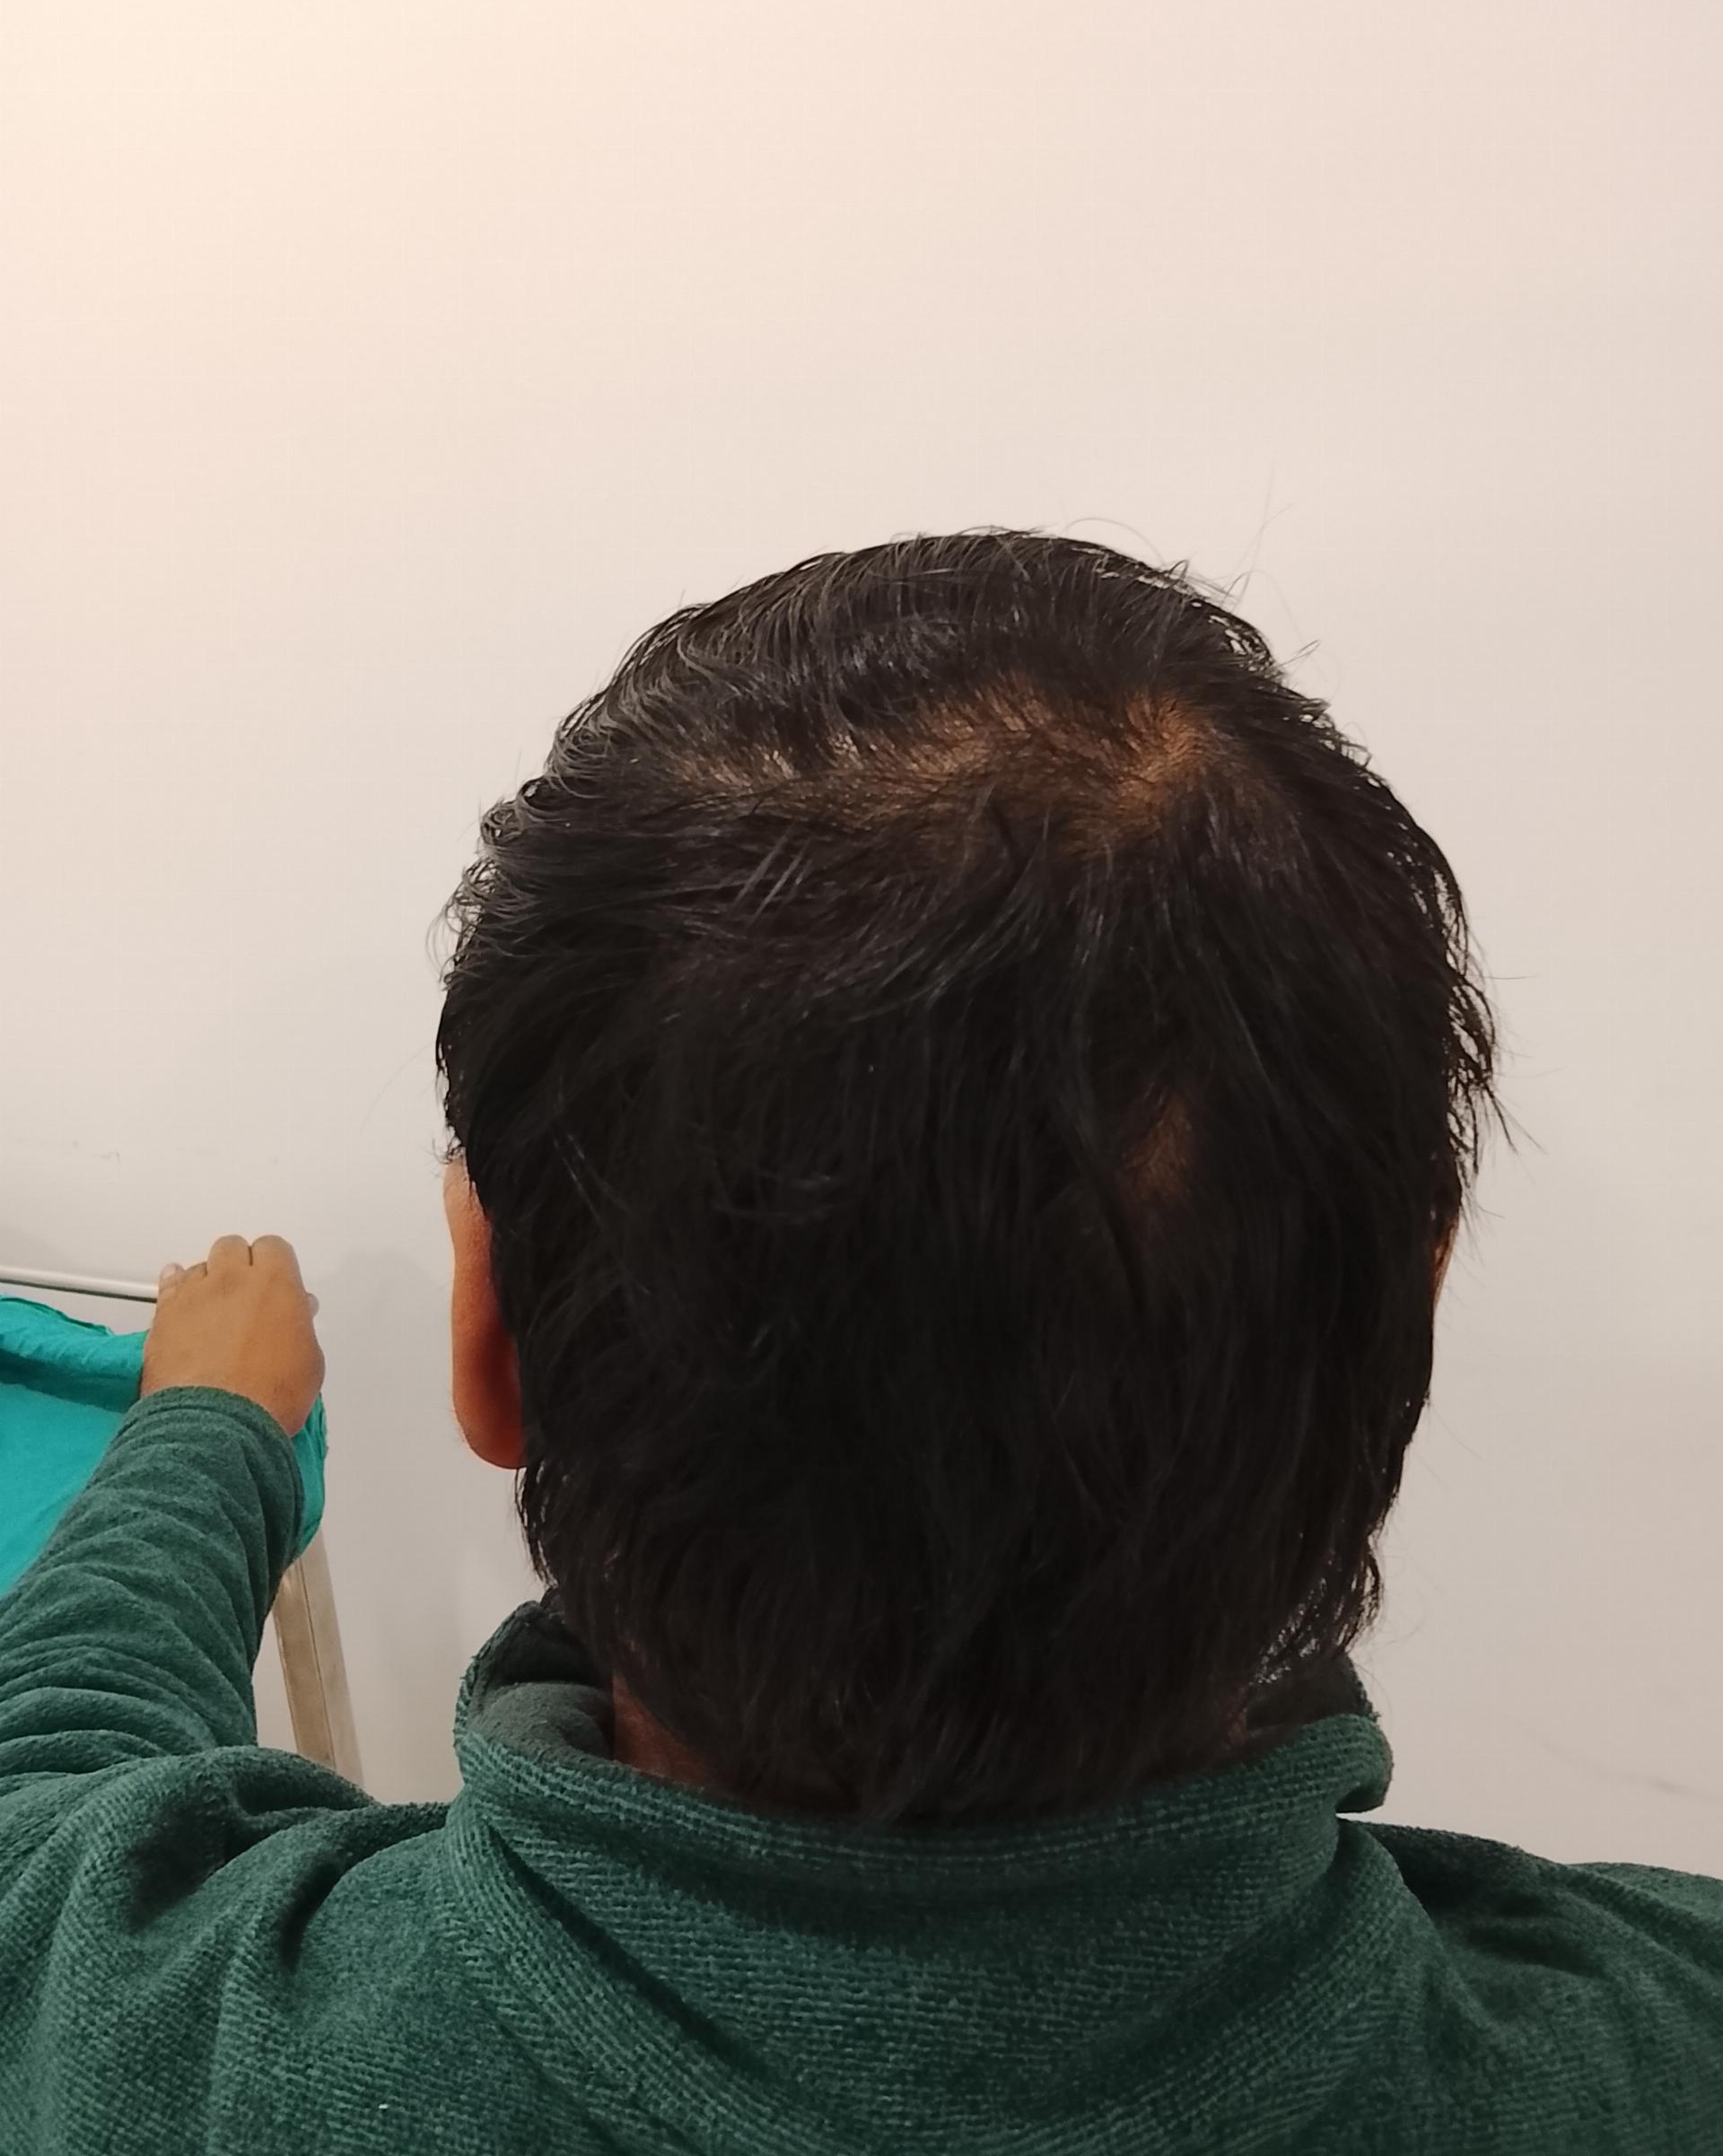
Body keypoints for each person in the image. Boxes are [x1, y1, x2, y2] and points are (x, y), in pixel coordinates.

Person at [0, 529, 1717, 2154]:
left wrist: (210, 1419)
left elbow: (48, 1768)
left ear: (489, 1338)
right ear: (1400, 1334)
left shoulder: (144, 2034)